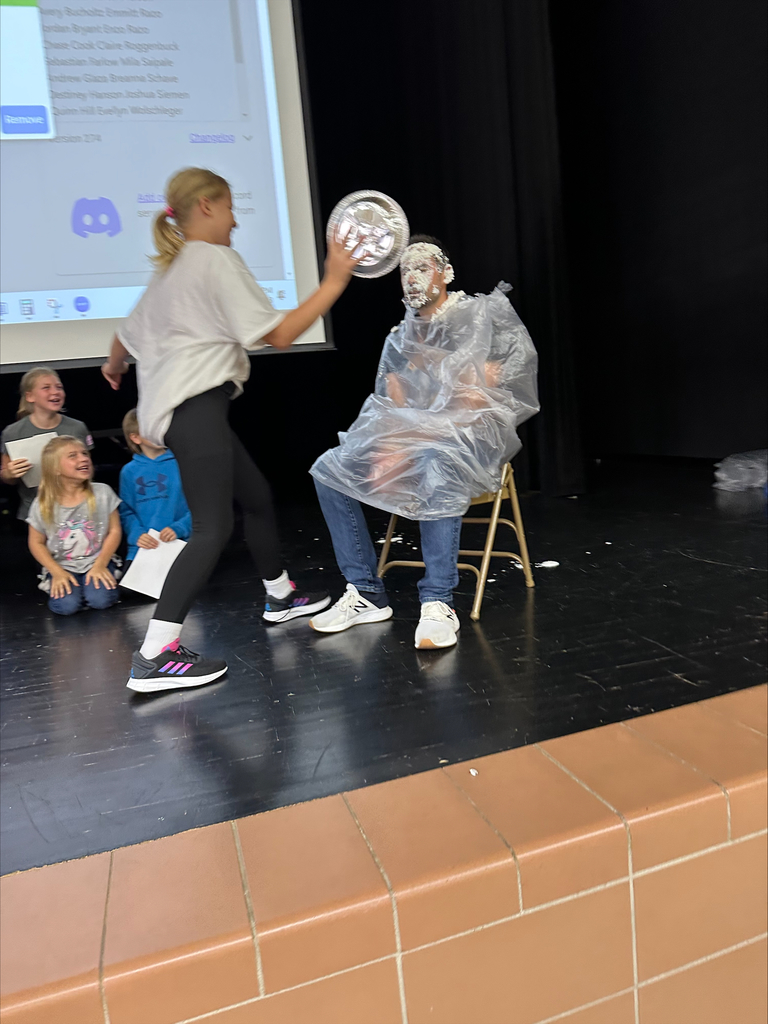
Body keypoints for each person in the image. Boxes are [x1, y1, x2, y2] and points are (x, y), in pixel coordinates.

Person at [101, 166, 361, 693]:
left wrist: (113, 366)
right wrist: (335, 278)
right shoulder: (214, 259)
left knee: (258, 497)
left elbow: (123, 339)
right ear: (206, 208)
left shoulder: (170, 271)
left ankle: (280, 594)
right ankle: (155, 654)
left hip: (193, 414)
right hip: (195, 411)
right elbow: (282, 335)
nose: (236, 220)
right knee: (212, 529)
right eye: (231, 207)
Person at [309, 236, 539, 649]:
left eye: (421, 268)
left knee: (437, 460)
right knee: (330, 468)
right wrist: (389, 442)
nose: (412, 278)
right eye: (404, 271)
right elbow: (395, 399)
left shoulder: (479, 315)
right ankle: (365, 591)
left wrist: (436, 376)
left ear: (445, 272)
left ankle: (437, 600)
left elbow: (483, 390)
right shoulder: (401, 336)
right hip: (417, 435)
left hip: (471, 435)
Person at [27, 435, 122, 616]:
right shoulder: (43, 503)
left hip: (97, 560)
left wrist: (101, 564)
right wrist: (56, 572)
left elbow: (114, 530)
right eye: (73, 456)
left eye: (84, 453)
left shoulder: (102, 492)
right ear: (55, 468)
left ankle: (98, 585)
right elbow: (36, 542)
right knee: (66, 606)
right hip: (63, 565)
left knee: (100, 600)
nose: (83, 458)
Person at [1, 367, 93, 521]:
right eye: (46, 388)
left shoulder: (77, 428)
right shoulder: (13, 432)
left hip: (78, 510)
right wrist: (10, 474)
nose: (55, 392)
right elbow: (6, 476)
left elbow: (88, 468)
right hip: (36, 513)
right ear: (30, 396)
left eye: (59, 387)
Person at [119, 408, 191, 568]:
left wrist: (180, 527)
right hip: (144, 549)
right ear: (135, 437)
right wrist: (137, 534)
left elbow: (200, 506)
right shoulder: (129, 472)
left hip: (181, 543)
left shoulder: (182, 462)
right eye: (151, 429)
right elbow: (126, 511)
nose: (158, 432)